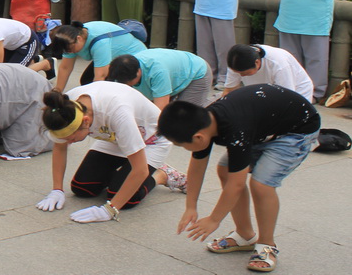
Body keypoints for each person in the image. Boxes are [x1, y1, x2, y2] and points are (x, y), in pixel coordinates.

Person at [158, 85, 320, 273]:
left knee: (261, 184)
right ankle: (245, 235)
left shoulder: (235, 130)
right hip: (263, 129)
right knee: (225, 170)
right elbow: (197, 165)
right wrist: (191, 206)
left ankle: (266, 244)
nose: (184, 148)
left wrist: (214, 219)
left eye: (181, 145)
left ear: (198, 138)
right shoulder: (204, 123)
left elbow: (236, 184)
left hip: (295, 132)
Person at [36, 81, 178, 223]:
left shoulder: (118, 112)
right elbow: (60, 148)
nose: (68, 143)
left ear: (86, 122)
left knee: (123, 198)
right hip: (114, 137)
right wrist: (57, 190)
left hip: (151, 139)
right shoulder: (65, 107)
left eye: (71, 139)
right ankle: (123, 173)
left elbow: (140, 170)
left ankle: (162, 175)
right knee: (82, 188)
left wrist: (110, 210)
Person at [48, 21, 147, 90]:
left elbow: (101, 77)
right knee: (87, 81)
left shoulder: (99, 42)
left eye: (70, 50)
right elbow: (65, 68)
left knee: (108, 88)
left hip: (132, 59)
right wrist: (58, 92)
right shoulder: (70, 39)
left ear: (79, 38)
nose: (70, 53)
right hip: (113, 58)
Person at [107, 49, 213, 109]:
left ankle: (215, 105)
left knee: (183, 116)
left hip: (196, 74)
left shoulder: (157, 71)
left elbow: (159, 110)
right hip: (174, 76)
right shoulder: (120, 69)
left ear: (138, 72)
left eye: (130, 83)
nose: (127, 86)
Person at [222, 44, 314, 103]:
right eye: (238, 73)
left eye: (245, 73)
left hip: (297, 93)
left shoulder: (279, 64)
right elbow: (229, 91)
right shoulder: (235, 62)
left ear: (257, 62)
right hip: (264, 92)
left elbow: (287, 98)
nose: (241, 76)